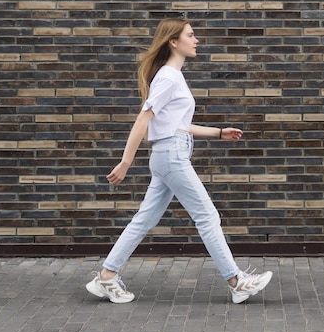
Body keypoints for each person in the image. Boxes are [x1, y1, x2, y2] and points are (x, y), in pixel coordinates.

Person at [85, 18, 272, 304]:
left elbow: (178, 124)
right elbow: (143, 118)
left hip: (169, 153)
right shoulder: (169, 77)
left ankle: (107, 276)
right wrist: (126, 161)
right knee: (207, 216)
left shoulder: (171, 76)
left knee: (144, 218)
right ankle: (237, 282)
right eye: (191, 35)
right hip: (171, 155)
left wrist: (218, 133)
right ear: (174, 41)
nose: (196, 40)